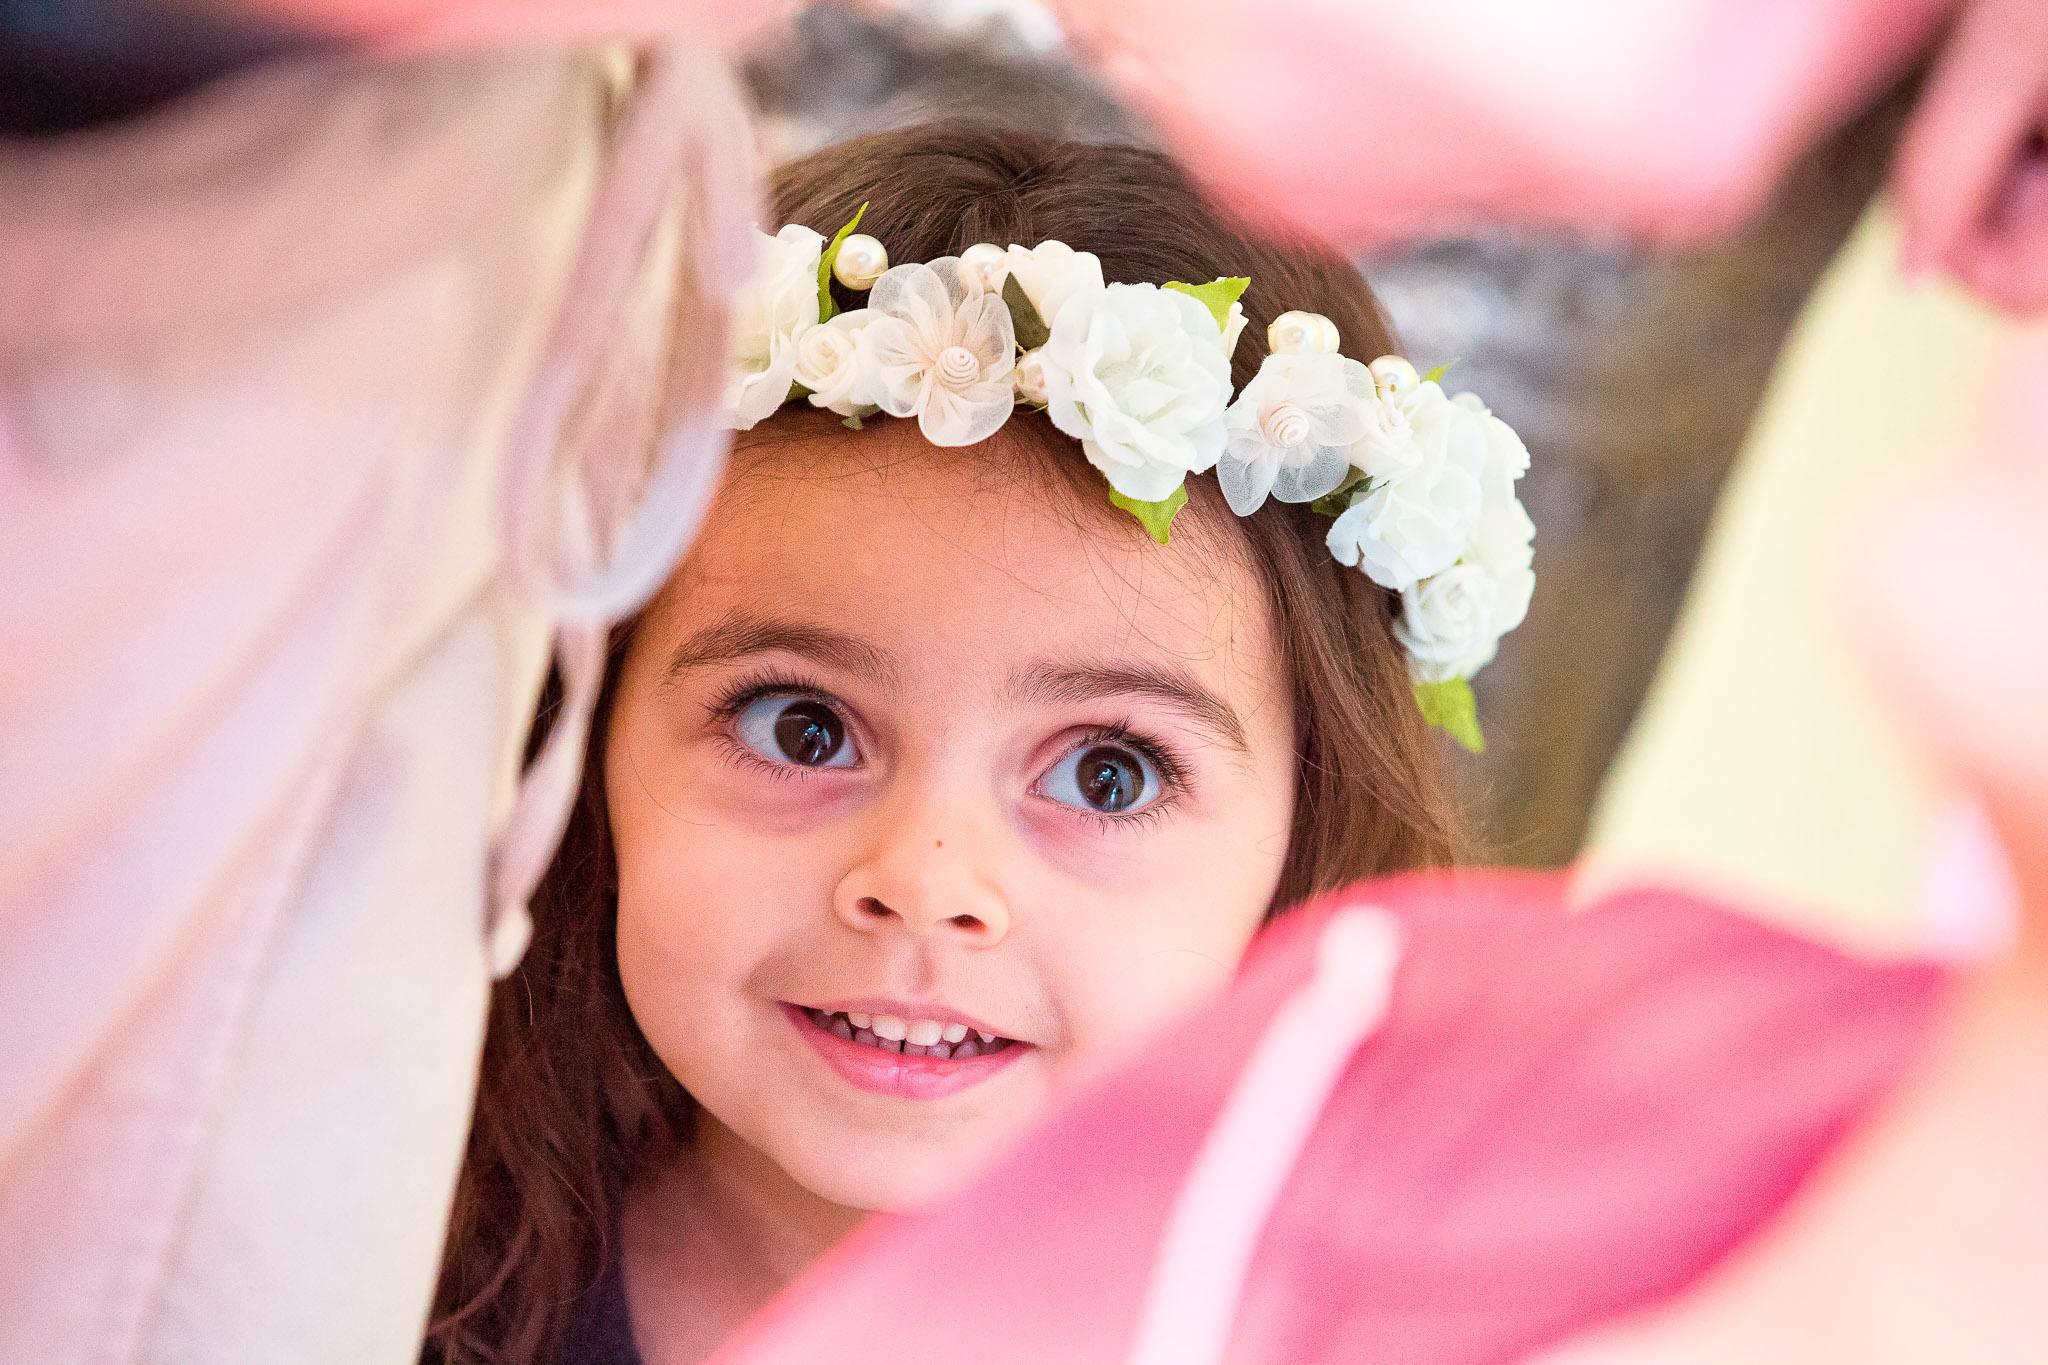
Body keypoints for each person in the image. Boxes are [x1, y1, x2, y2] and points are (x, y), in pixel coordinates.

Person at [423, 120, 1539, 1363]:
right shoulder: (368, 1263)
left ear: (1306, 829)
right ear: (590, 745)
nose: (924, 881)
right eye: (801, 726)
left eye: (1105, 773)